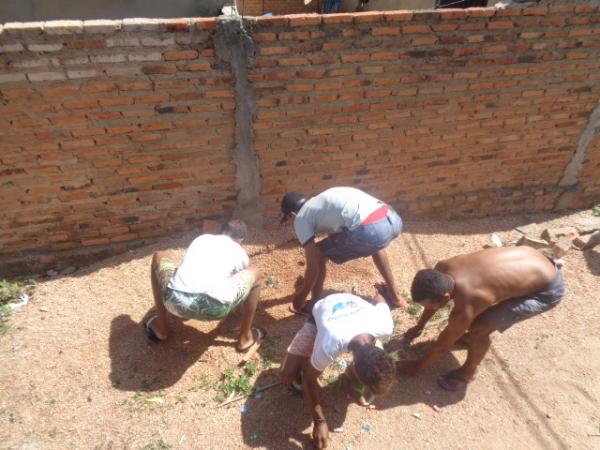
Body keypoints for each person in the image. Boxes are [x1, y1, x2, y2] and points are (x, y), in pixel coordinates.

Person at [398, 246, 565, 391]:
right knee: (469, 322)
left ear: (446, 297)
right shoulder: (442, 268)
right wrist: (420, 325)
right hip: (534, 260)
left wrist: (417, 366)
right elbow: (433, 304)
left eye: (431, 306)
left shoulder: (469, 300)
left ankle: (468, 372)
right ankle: (466, 338)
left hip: (545, 290)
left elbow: (442, 346)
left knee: (478, 329)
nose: (428, 309)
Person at [279, 288, 395, 449]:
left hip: (352, 305)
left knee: (374, 371)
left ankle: (354, 378)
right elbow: (309, 380)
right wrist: (319, 421)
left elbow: (380, 299)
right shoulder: (330, 344)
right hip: (323, 308)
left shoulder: (384, 325)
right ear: (354, 365)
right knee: (287, 375)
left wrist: (382, 291)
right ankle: (311, 356)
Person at [144, 220, 265, 357]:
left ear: (221, 232)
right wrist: (236, 307)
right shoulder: (240, 253)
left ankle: (162, 327)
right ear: (241, 240)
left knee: (159, 255)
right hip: (217, 308)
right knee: (256, 274)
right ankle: (245, 338)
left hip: (173, 301)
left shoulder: (202, 239)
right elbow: (237, 281)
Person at [280, 187, 405, 314]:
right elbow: (337, 232)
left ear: (292, 214)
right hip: (392, 219)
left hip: (372, 230)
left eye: (290, 220)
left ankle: (312, 305)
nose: (292, 222)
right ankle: (395, 297)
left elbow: (313, 266)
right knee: (376, 244)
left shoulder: (301, 218)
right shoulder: (322, 200)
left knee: (318, 255)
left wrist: (300, 297)